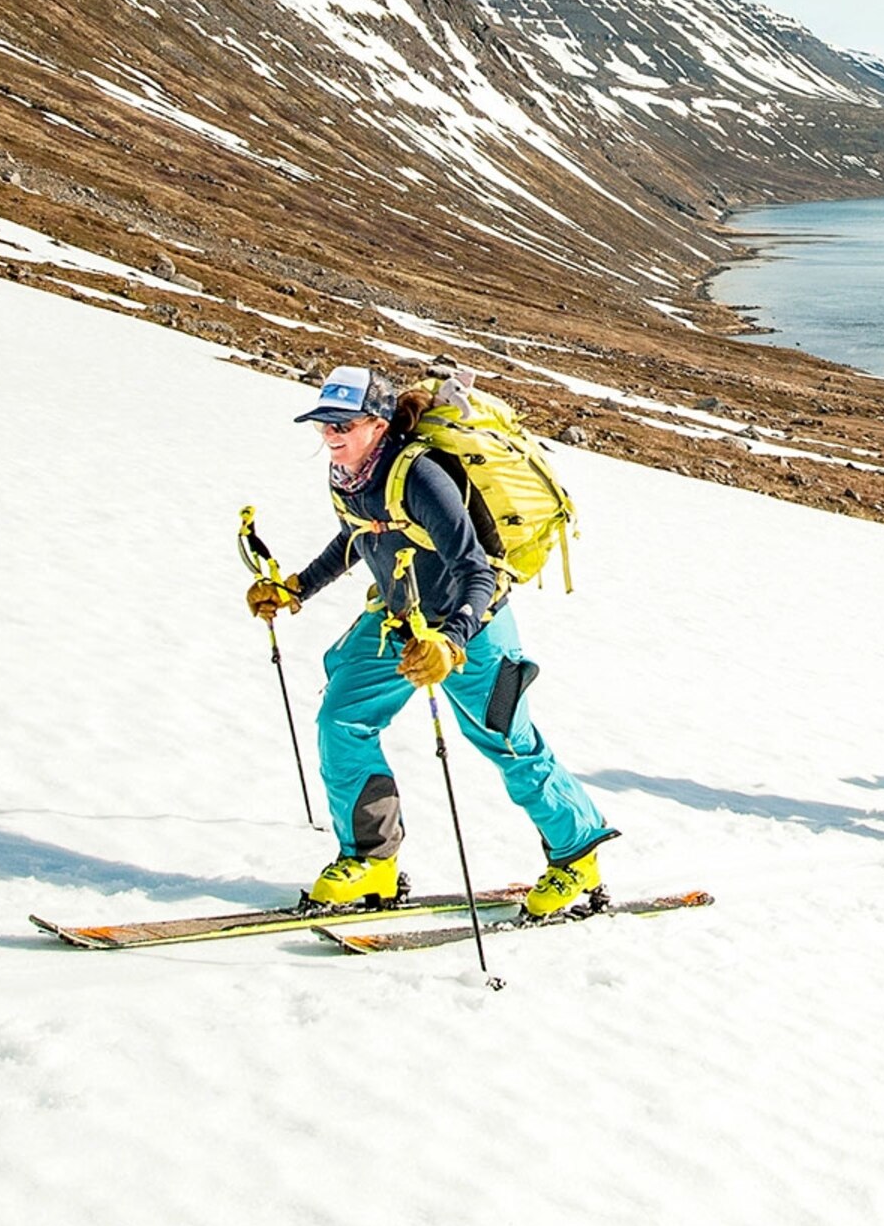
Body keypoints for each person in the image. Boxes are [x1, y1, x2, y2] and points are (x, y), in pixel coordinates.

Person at [249, 365, 614, 917]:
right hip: (398, 622)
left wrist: (452, 640)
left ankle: (577, 853)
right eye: (324, 423)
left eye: (343, 422)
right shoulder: (347, 475)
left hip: (473, 630)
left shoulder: (421, 476)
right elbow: (357, 536)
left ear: (378, 422)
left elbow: (477, 570)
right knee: (341, 721)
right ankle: (371, 860)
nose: (331, 434)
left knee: (508, 742)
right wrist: (296, 588)